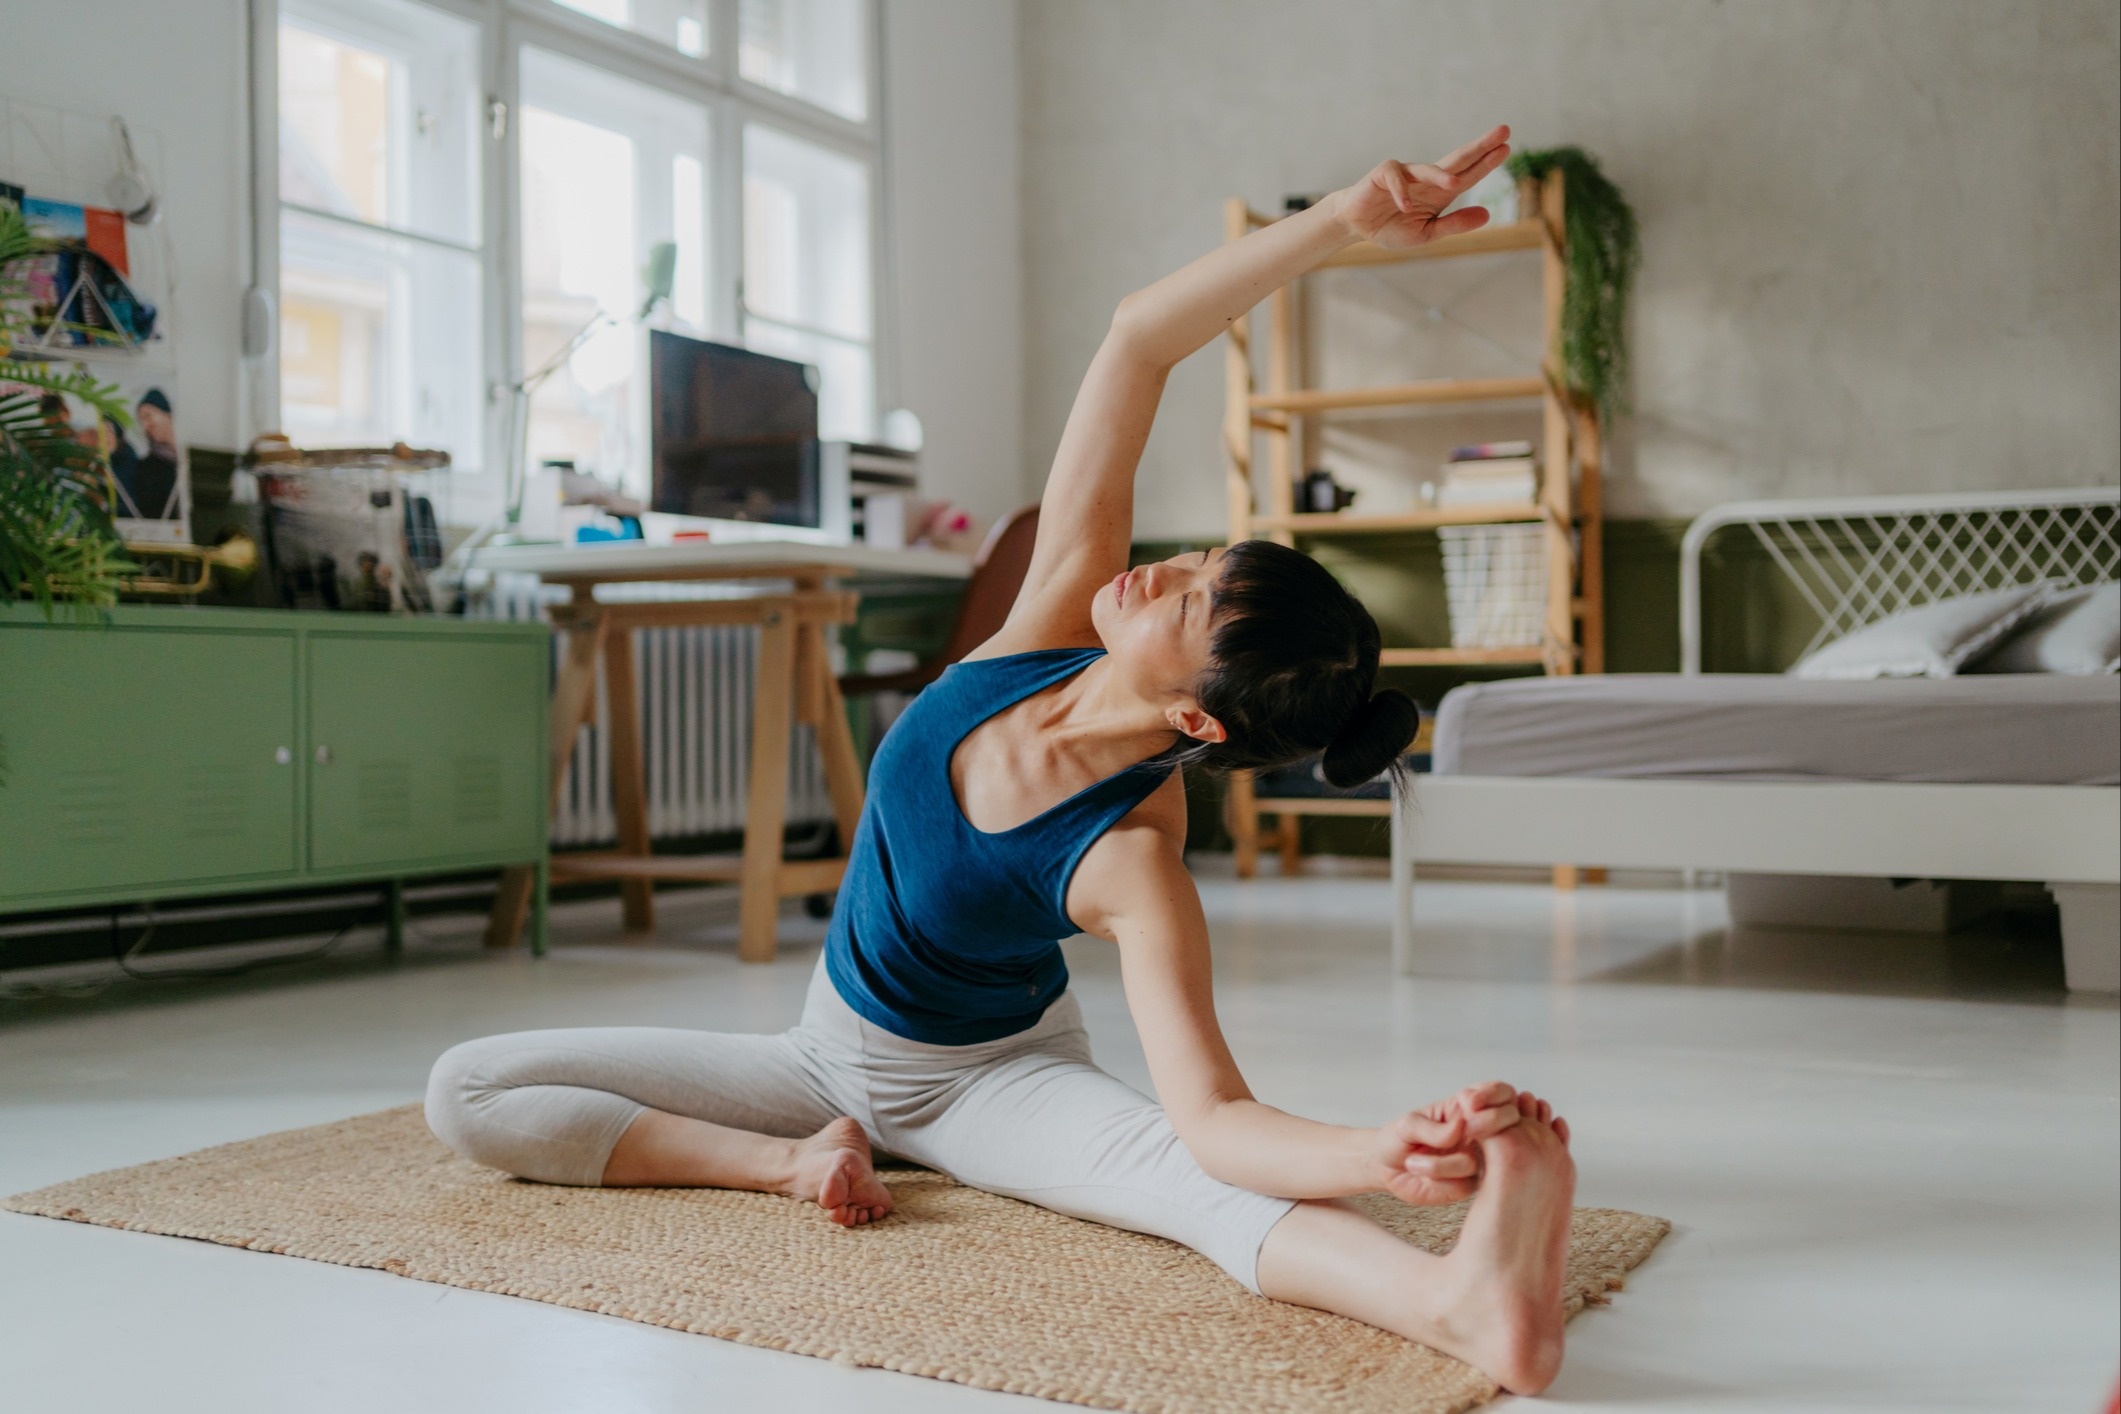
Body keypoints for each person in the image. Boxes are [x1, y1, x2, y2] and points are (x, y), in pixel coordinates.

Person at [425, 125, 1577, 1395]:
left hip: (990, 1084)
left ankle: (1459, 1303)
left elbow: (1217, 1120)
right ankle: (798, 1162)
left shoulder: (1135, 859)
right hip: (818, 1056)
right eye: (1202, 560)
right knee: (469, 1088)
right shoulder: (1050, 623)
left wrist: (1379, 1150)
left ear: (1197, 722)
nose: (1164, 571)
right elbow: (1138, 341)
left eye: (1189, 602)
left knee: (1184, 1187)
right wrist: (1345, 222)